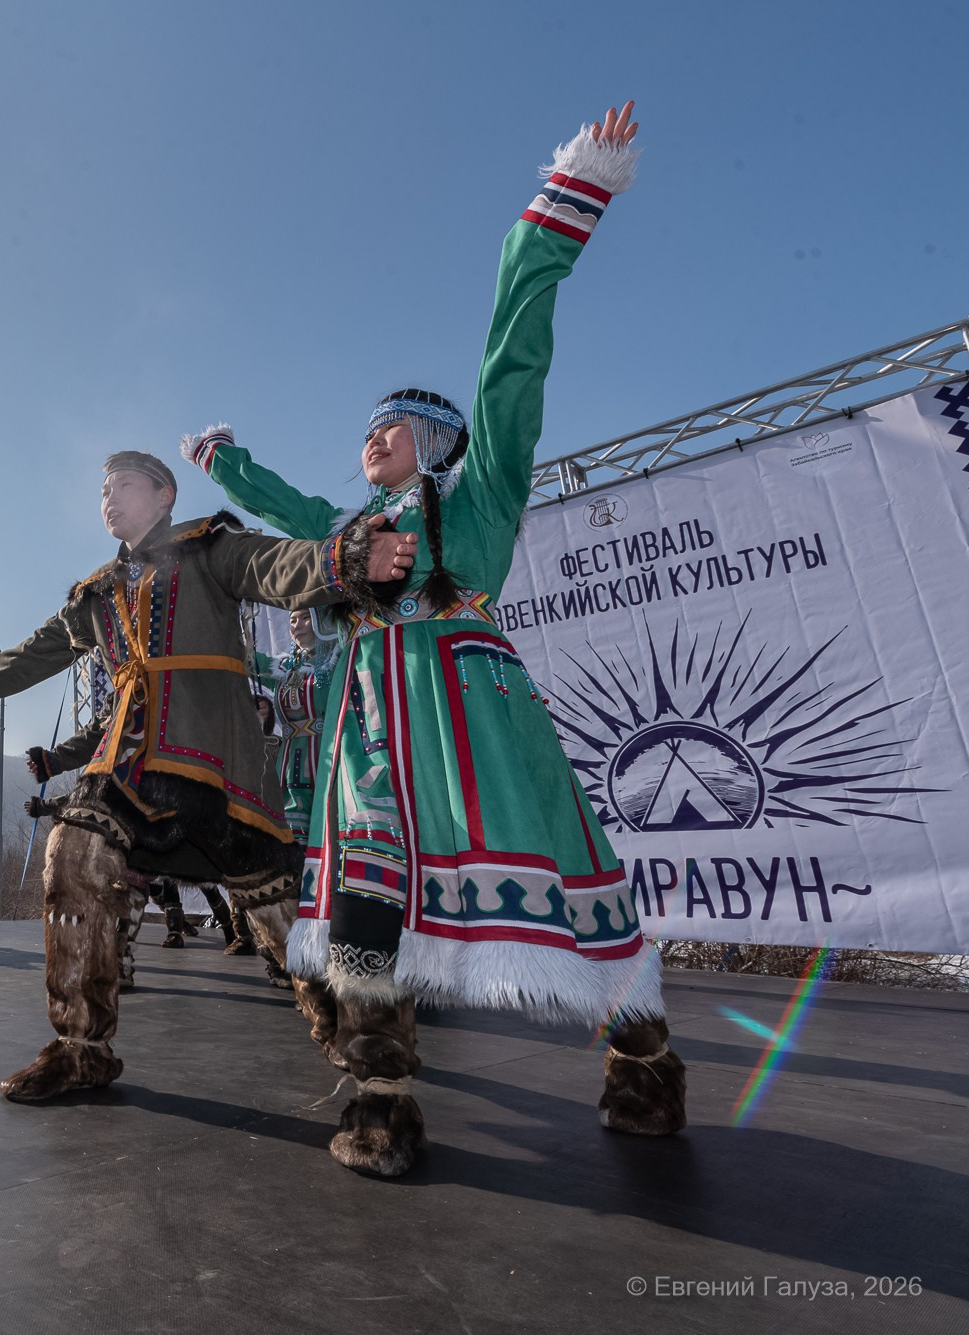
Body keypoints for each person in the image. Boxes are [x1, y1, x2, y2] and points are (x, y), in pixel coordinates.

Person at [175, 102, 684, 1175]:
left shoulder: (479, 489)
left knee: (568, 879)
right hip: (370, 723)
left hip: (473, 719)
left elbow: (512, 364)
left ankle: (642, 1066)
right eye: (366, 428)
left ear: (437, 439)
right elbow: (289, 509)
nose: (371, 437)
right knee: (364, 902)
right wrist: (225, 462)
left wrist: (562, 207)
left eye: (390, 425)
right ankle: (381, 1098)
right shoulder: (352, 529)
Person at [0, 449, 415, 1103]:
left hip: (219, 768)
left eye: (124, 484)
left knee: (287, 925)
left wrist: (347, 558)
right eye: (103, 489)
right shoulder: (95, 594)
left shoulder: (208, 548)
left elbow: (278, 565)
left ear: (165, 496)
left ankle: (369, 1058)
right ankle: (81, 1046)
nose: (109, 497)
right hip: (129, 766)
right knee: (73, 849)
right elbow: (35, 652)